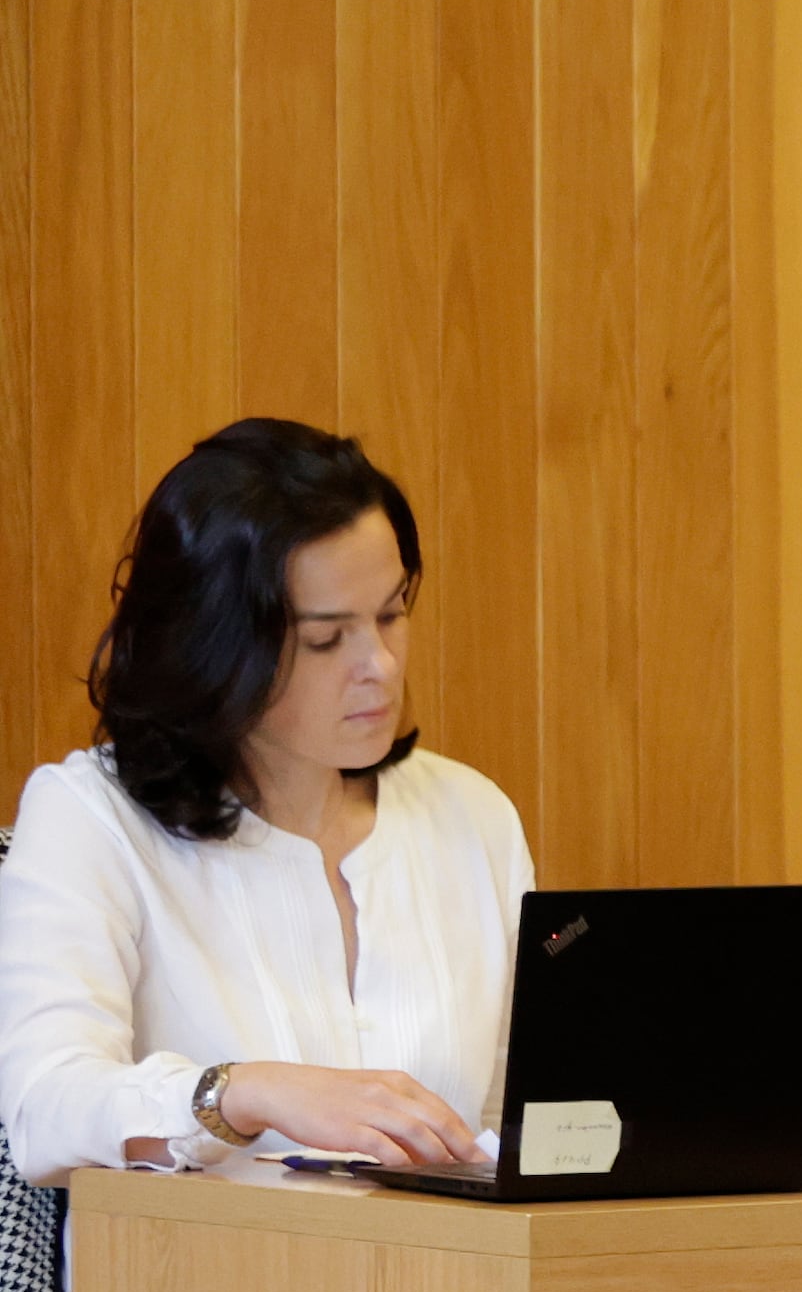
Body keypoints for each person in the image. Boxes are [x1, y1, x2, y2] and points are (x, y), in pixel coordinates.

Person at [0, 419, 525, 1176]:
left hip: (446, 1287)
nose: (378, 664)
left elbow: (512, 1127)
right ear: (216, 645)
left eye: (391, 613)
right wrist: (247, 1093)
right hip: (196, 1289)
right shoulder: (88, 818)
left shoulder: (472, 816)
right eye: (325, 639)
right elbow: (45, 1108)